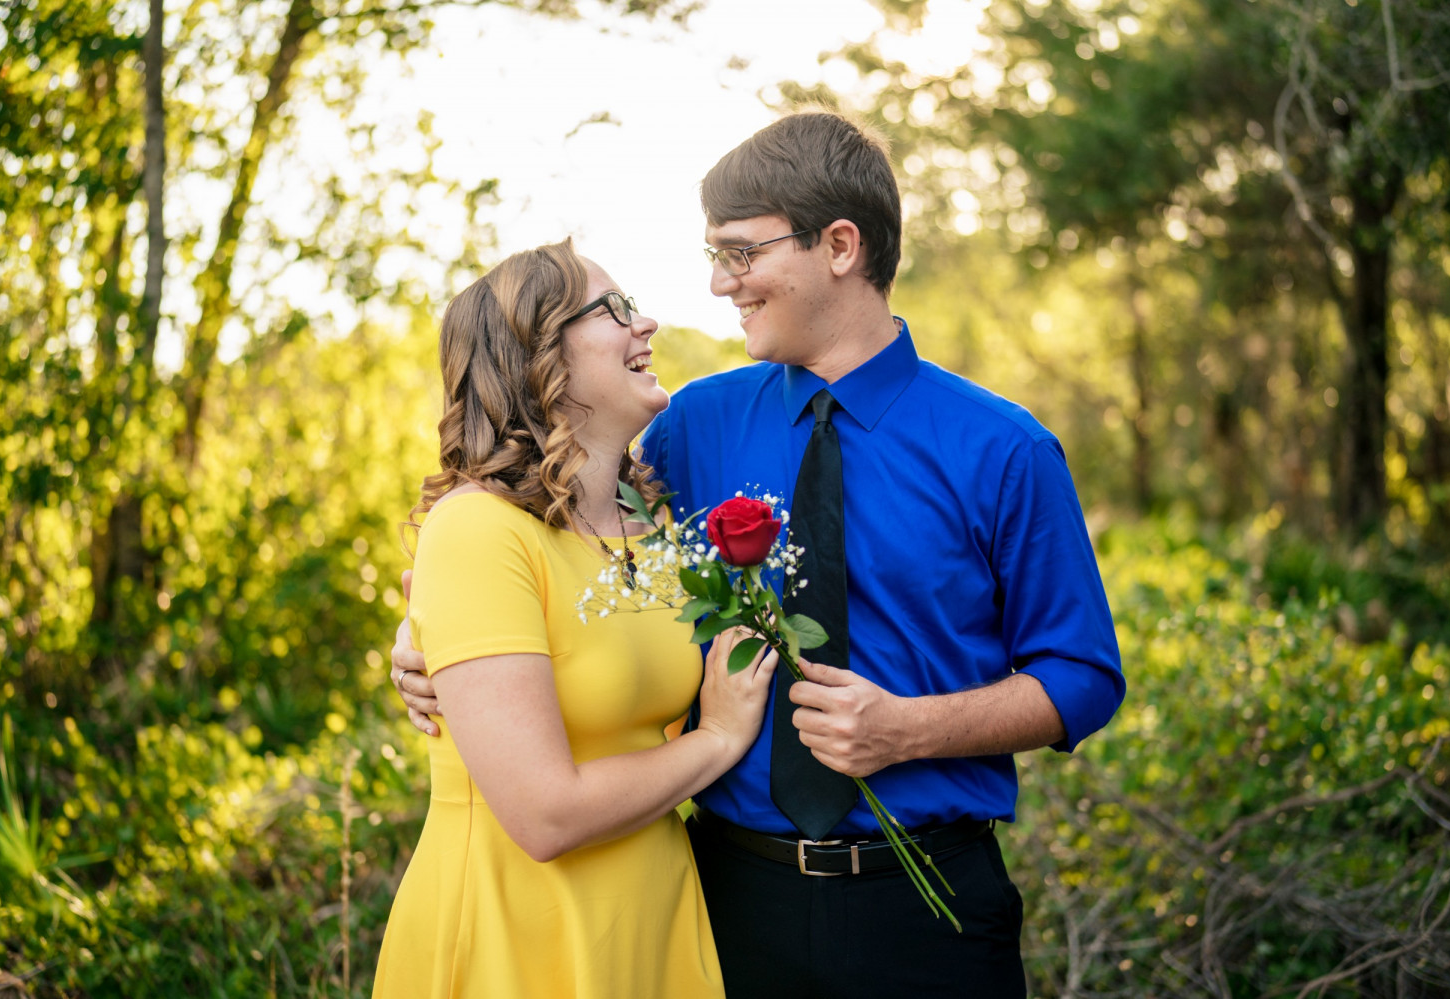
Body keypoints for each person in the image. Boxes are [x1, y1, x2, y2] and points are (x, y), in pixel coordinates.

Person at [392, 111, 1125, 998]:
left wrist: (907, 729)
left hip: (930, 911)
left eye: (741, 254)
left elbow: (1082, 677)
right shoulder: (688, 428)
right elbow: (554, 542)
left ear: (841, 246)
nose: (717, 284)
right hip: (722, 902)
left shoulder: (1006, 450)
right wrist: (425, 644)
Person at [372, 239, 777, 998]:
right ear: (536, 352)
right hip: (518, 932)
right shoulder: (479, 528)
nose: (646, 322)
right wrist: (718, 739)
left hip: (652, 920)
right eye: (615, 309)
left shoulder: (654, 521)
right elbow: (545, 815)